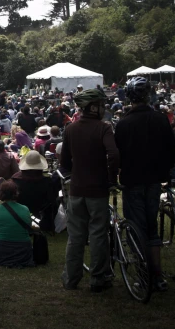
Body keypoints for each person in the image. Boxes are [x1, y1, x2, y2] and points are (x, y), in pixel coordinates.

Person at [114, 77, 175, 292]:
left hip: (133, 181)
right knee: (151, 227)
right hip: (153, 179)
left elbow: (118, 155)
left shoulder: (123, 123)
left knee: (136, 228)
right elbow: (172, 149)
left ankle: (143, 274)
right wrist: (166, 169)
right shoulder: (160, 119)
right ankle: (157, 276)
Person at [60, 88, 119, 292]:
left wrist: (73, 173)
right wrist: (112, 177)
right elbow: (113, 154)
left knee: (75, 236)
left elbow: (64, 162)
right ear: (92, 107)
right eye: (101, 105)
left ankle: (71, 279)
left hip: (76, 189)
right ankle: (98, 278)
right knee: (98, 234)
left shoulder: (70, 129)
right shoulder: (104, 128)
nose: (104, 109)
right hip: (98, 189)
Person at [11, 151, 57, 231]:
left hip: (19, 209)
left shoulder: (15, 179)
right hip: (40, 209)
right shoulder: (47, 182)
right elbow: (52, 199)